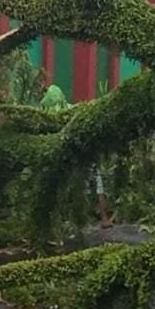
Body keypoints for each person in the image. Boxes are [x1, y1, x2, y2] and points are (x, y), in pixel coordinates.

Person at [39, 84, 113, 228]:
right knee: (94, 185)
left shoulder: (67, 112)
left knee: (86, 183)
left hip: (83, 151)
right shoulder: (68, 109)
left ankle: (87, 219)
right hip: (77, 152)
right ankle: (96, 218)